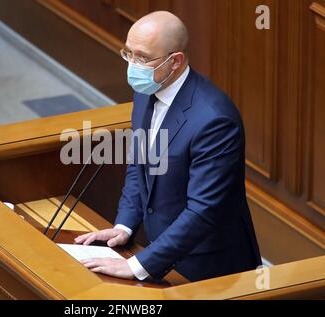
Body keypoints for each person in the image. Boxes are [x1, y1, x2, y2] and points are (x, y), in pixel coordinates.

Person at [75, 11, 261, 282]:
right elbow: (139, 163)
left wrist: (138, 265)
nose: (132, 66)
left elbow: (203, 211)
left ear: (175, 62)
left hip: (209, 268)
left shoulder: (214, 120)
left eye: (142, 58)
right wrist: (125, 224)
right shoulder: (146, 91)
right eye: (128, 54)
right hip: (161, 252)